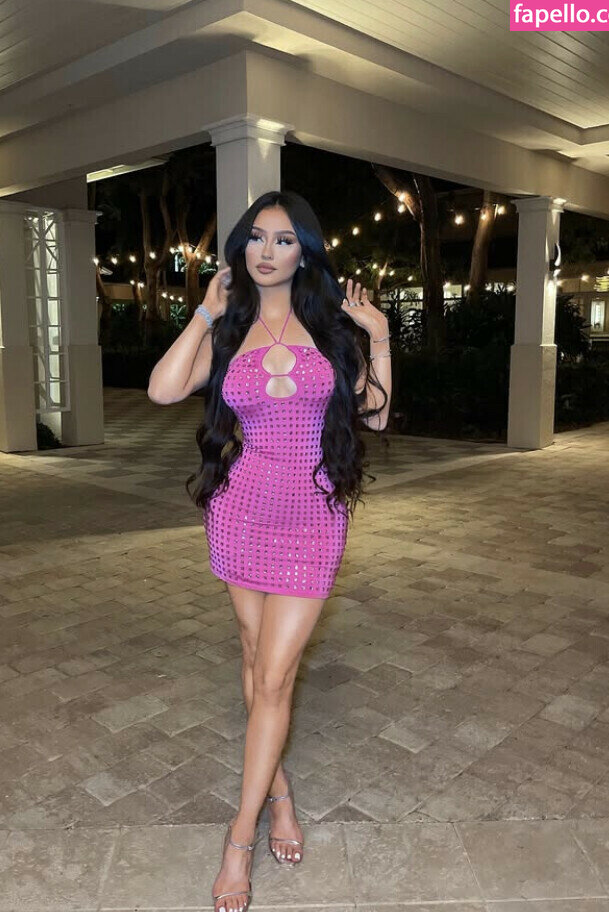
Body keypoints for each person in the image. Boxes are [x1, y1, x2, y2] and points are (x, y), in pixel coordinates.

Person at [148, 190, 391, 911]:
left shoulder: (333, 328)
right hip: (242, 511)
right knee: (256, 662)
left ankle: (239, 836)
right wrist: (204, 313)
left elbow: (376, 415)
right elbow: (163, 390)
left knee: (276, 676)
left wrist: (379, 336)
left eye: (284, 240)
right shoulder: (229, 330)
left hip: (313, 515)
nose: (267, 251)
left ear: (304, 252)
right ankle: (280, 794)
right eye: (256, 237)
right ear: (241, 248)